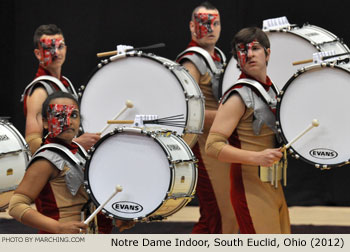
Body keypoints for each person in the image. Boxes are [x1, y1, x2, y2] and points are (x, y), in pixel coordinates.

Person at [205, 27, 291, 233]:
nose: (250, 54)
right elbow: (212, 147)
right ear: (237, 59)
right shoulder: (237, 95)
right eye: (242, 50)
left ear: (267, 53)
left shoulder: (271, 89)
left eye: (255, 48)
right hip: (250, 186)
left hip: (273, 183)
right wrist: (256, 158)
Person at [9, 92, 133, 234]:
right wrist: (58, 227)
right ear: (44, 122)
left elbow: (86, 200)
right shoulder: (46, 160)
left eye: (73, 115)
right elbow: (15, 206)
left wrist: (115, 215)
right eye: (59, 115)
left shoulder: (80, 151)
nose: (68, 122)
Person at [176, 1, 238, 234]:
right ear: (192, 26)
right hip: (204, 146)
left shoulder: (220, 57)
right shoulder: (191, 61)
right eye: (204, 23)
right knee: (218, 215)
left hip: (221, 142)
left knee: (227, 213)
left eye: (215, 22)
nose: (210, 27)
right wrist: (231, 117)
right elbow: (188, 113)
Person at [21, 24, 100, 154]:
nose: (56, 52)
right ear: (38, 54)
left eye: (60, 46)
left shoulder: (65, 83)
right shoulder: (39, 91)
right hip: (54, 168)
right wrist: (76, 143)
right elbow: (32, 143)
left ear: (66, 49)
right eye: (49, 48)